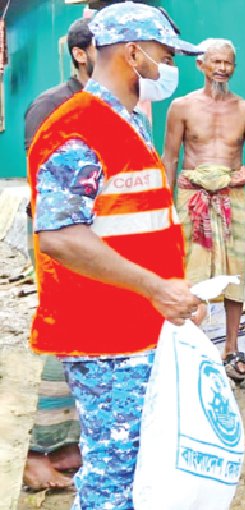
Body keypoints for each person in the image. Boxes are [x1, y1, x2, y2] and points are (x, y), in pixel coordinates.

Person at [25, 2, 202, 506]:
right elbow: (59, 236)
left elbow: (136, 227)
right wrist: (156, 287)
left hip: (138, 326)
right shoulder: (78, 128)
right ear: (132, 52)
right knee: (113, 479)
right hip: (106, 337)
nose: (169, 66)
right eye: (164, 54)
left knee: (136, 467)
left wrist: (175, 293)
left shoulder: (125, 120)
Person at [162, 38, 245, 381]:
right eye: (216, 62)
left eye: (228, 63)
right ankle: (190, 346)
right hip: (192, 199)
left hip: (233, 198)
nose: (222, 69)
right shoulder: (181, 107)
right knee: (191, 273)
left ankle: (231, 349)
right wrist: (166, 206)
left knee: (234, 274)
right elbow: (171, 157)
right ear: (201, 65)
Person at [20, 16, 95, 492]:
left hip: (94, 241)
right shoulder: (51, 105)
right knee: (57, 340)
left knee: (85, 341)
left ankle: (65, 444)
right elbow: (42, 187)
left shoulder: (114, 107)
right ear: (81, 54)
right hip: (61, 239)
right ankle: (32, 457)